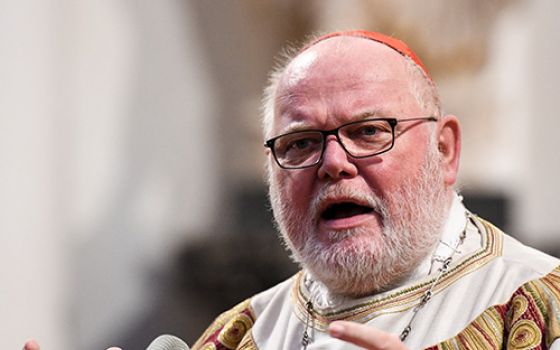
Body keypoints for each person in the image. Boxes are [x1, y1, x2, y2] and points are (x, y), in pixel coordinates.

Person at [191, 30, 560, 350]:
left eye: (368, 132)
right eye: (300, 143)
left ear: (444, 150)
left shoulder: (543, 305)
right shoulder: (238, 335)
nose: (333, 163)